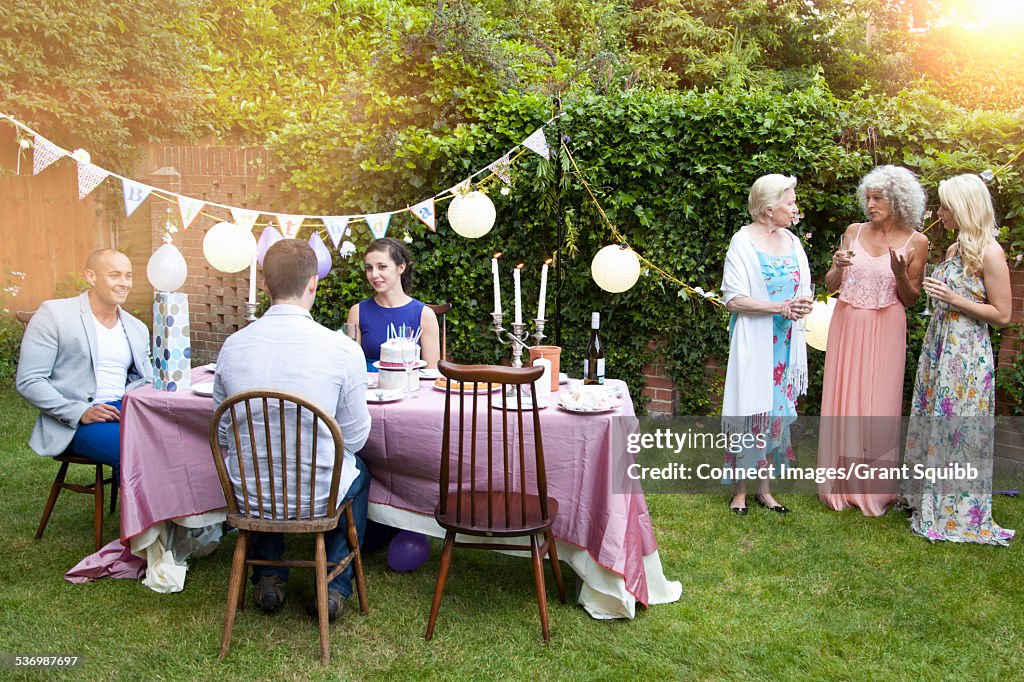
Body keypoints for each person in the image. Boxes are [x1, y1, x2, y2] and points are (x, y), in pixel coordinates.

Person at [213, 239, 372, 620]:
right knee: (360, 471)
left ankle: (268, 575)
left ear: (265, 285)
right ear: (313, 283)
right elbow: (354, 439)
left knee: (265, 469)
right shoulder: (342, 349)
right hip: (319, 497)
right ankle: (334, 585)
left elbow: (222, 435)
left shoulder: (232, 347)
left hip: (250, 495)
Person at [902, 174, 1015, 544]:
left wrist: (955, 300)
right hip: (940, 343)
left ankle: (956, 511)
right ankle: (926, 500)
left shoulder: (991, 253)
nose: (939, 212)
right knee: (934, 418)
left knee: (959, 427)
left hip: (966, 352)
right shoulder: (952, 251)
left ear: (964, 208)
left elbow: (1003, 315)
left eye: (946, 206)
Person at [818, 165, 929, 516]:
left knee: (877, 402)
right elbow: (830, 285)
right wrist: (836, 266)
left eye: (877, 198)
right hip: (848, 321)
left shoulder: (917, 241)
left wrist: (899, 273)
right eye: (868, 198)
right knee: (844, 398)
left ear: (897, 201)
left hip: (887, 326)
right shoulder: (853, 231)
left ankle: (872, 489)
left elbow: (911, 299)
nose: (870, 204)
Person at [16, 249, 152, 480]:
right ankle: (147, 517)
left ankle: (184, 514)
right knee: (134, 453)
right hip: (77, 420)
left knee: (174, 443)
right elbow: (30, 380)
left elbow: (145, 380)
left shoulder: (136, 327)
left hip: (124, 411)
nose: (124, 283)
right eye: (115, 275)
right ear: (91, 276)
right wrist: (80, 412)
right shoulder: (55, 314)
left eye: (128, 276)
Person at [721, 174, 812, 515]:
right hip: (755, 342)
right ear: (768, 208)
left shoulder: (792, 242)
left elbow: (802, 287)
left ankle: (765, 490)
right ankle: (740, 492)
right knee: (749, 411)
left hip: (785, 346)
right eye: (790, 202)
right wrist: (780, 308)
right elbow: (734, 299)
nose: (795, 208)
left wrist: (802, 305)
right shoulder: (742, 242)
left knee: (774, 413)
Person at [346, 237, 440, 372]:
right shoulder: (357, 312)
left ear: (401, 268)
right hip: (370, 390)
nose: (374, 274)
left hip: (410, 389)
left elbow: (431, 372)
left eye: (382, 267)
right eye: (369, 268)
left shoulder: (425, 315)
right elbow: (350, 367)